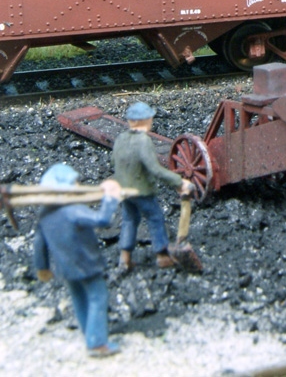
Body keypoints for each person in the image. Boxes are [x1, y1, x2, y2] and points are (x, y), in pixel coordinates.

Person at [32, 163, 124, 358]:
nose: (79, 184)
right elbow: (102, 220)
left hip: (65, 267)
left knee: (78, 298)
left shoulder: (44, 215)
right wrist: (110, 198)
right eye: (75, 182)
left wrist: (42, 267)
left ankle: (88, 333)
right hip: (85, 263)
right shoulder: (73, 210)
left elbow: (39, 243)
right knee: (98, 296)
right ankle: (97, 343)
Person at [113, 101, 193, 270]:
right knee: (155, 219)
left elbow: (114, 161)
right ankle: (162, 256)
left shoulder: (121, 138)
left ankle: (124, 257)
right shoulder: (143, 141)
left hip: (124, 190)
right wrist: (178, 181)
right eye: (150, 119)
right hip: (141, 191)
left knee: (129, 220)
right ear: (145, 120)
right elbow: (155, 169)